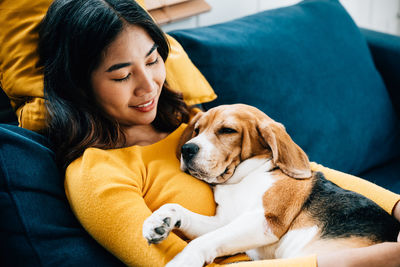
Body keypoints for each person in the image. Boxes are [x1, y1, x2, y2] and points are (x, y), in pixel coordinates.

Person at [37, 0, 400, 266]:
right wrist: (364, 261)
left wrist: (397, 205)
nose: (149, 86)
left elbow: (301, 173)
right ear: (80, 86)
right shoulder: (96, 174)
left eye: (152, 60)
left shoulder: (191, 124)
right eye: (121, 75)